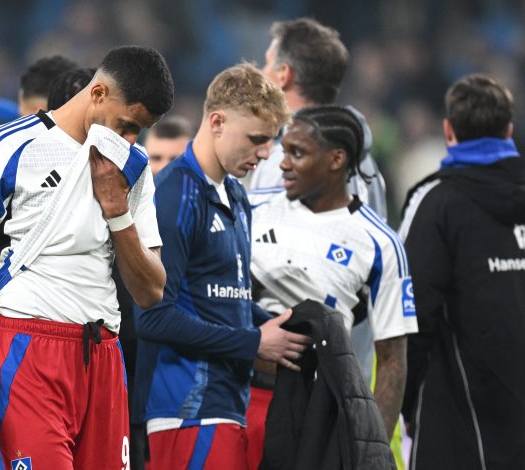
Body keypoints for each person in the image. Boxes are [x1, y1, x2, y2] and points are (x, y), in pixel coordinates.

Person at [0, 45, 174, 469]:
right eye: (127, 125)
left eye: (141, 131)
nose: (131, 141)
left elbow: (151, 290)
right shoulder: (10, 145)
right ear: (98, 93)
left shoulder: (133, 166)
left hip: (104, 355)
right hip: (30, 351)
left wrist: (117, 210)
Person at [133, 63, 310, 469]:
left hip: (228, 403)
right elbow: (154, 318)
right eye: (257, 139)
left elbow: (227, 298)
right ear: (216, 122)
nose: (266, 153)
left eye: (271, 141)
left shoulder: (235, 194)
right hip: (186, 409)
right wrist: (253, 343)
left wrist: (291, 324)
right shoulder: (175, 194)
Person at [243, 17, 399, 467]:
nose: (263, 69)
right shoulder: (364, 165)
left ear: (284, 75)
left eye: (268, 62)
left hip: (283, 380)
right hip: (347, 368)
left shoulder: (277, 161)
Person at [250, 104, 417, 453]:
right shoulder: (250, 207)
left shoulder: (380, 243)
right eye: (284, 151)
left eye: (297, 153)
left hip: (314, 410)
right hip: (237, 396)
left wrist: (370, 450)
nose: (283, 163)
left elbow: (392, 361)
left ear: (336, 159)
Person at [399, 74, 525, 469]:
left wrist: (407, 401)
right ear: (509, 129)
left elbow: (410, 313)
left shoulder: (435, 203)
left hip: (459, 419)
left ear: (448, 130)